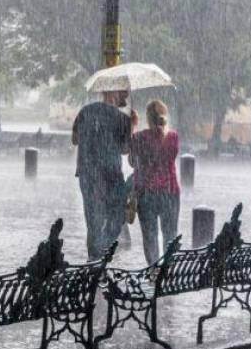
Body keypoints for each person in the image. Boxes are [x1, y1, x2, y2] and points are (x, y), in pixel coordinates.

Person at [72, 89, 136, 261]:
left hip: (88, 174)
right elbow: (125, 150)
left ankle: (93, 258)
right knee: (117, 217)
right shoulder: (122, 118)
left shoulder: (85, 112)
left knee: (93, 221)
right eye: (123, 95)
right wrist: (131, 127)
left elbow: (75, 139)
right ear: (113, 94)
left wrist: (92, 135)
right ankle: (99, 253)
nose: (124, 99)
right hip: (111, 175)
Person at [129, 100, 180, 265]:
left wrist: (132, 127)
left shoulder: (139, 137)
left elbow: (131, 162)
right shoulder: (173, 137)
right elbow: (169, 158)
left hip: (147, 193)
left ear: (148, 118)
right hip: (170, 192)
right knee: (170, 235)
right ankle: (168, 271)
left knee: (150, 237)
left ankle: (153, 271)